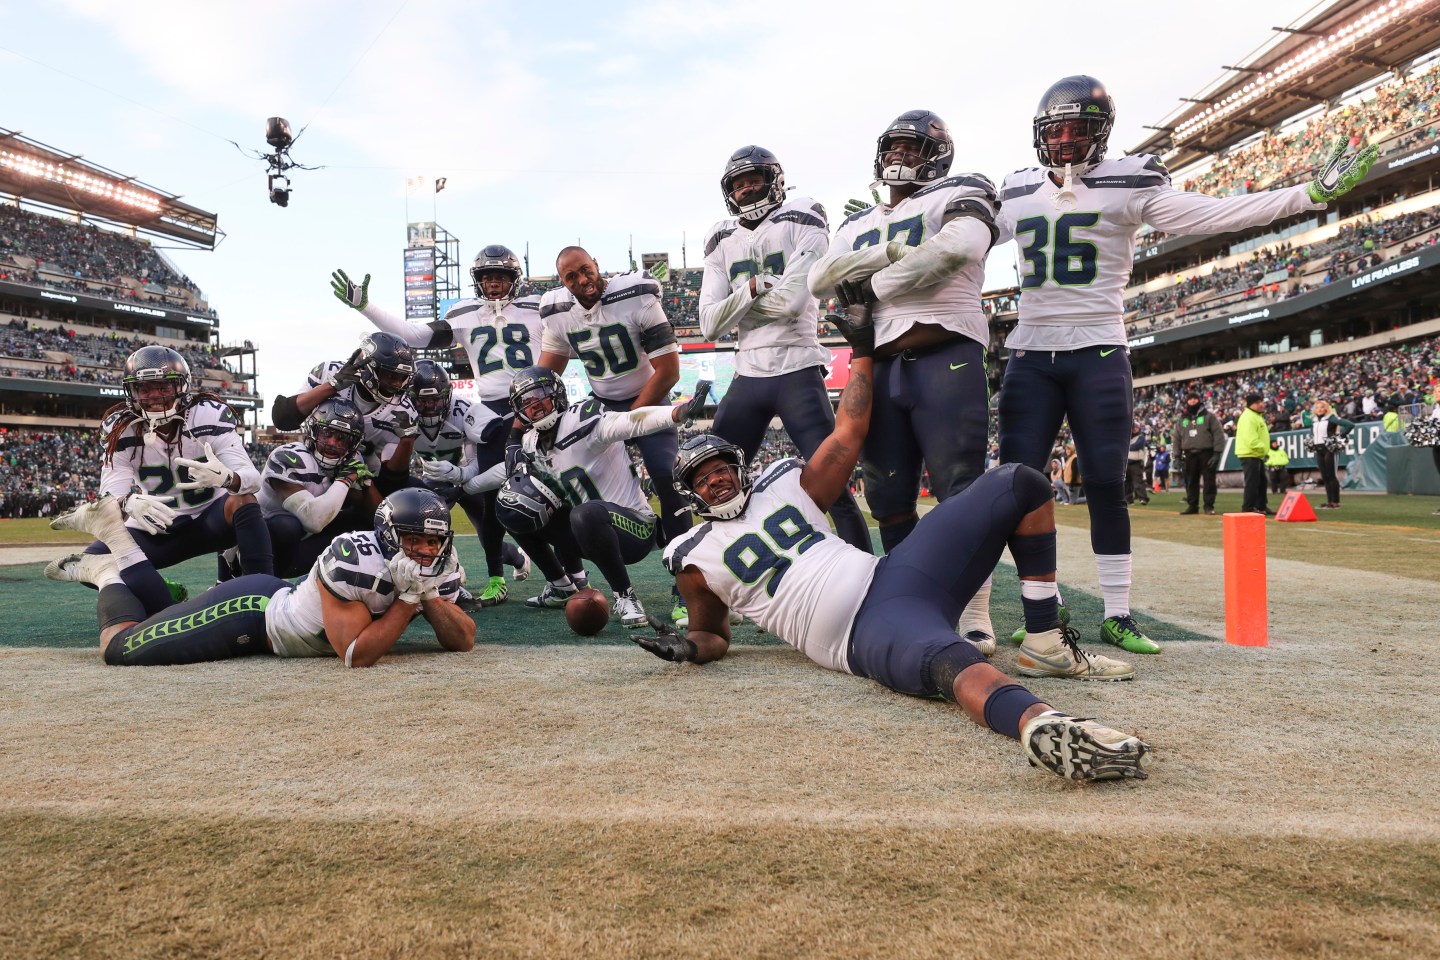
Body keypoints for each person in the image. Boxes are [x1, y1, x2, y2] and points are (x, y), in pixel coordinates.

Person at [634, 304, 1147, 783]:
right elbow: (714, 637)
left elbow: (850, 431)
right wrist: (687, 648)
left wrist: (860, 351)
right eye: (703, 478)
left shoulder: (785, 482)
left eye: (722, 468)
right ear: (691, 492)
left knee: (1020, 483)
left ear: (739, 467)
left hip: (895, 573)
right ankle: (1042, 724)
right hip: (861, 632)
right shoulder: (692, 556)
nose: (717, 480)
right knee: (955, 665)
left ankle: (1043, 637)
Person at [992, 75, 1376, 655]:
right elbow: (964, 244)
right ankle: (1041, 611)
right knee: (1020, 486)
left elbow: (1212, 214)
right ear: (1040, 135)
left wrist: (1306, 196)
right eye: (1058, 130)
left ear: (1102, 135)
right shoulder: (1016, 189)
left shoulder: (1130, 181)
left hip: (1098, 349)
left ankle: (1117, 614)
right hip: (1030, 352)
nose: (1067, 142)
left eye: (1079, 130)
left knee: (1104, 483)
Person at [809, 109, 1001, 652]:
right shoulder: (856, 223)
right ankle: (912, 603)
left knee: (960, 494)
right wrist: (891, 251)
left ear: (938, 154)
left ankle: (973, 612)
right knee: (889, 499)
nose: (899, 157)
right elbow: (819, 278)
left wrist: (873, 285)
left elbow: (960, 246)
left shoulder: (960, 190)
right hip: (881, 363)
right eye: (892, 148)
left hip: (946, 353)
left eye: (911, 149)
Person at [49, 488, 473, 667]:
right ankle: (108, 566)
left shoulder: (441, 566)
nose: (426, 551)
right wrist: (407, 599)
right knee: (122, 648)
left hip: (280, 609)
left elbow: (462, 640)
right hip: (254, 612)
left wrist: (429, 594)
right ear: (386, 535)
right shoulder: (353, 557)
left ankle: (112, 541)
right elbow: (356, 656)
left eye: (435, 542)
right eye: (414, 540)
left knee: (166, 616)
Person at [331, 245, 544, 598]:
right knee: (467, 513)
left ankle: (556, 576)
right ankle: (490, 576)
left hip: (528, 406)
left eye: (501, 277)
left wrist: (464, 475)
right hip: (475, 426)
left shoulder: (538, 306)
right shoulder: (464, 314)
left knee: (516, 502)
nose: (493, 284)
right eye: (487, 277)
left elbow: (576, 325)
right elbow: (415, 336)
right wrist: (365, 308)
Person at [698, 145, 871, 556]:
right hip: (749, 375)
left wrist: (736, 307)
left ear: (775, 180)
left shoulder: (801, 214)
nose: (746, 189)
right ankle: (699, 585)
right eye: (738, 184)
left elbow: (792, 301)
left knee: (835, 485)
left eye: (753, 179)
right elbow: (708, 325)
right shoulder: (721, 238)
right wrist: (753, 288)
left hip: (797, 368)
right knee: (706, 480)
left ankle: (869, 574)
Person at [44, 346, 273, 616]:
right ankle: (162, 596)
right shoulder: (121, 426)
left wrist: (226, 477)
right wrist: (128, 502)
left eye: (163, 387)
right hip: (157, 527)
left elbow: (252, 480)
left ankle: (264, 592)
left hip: (211, 521)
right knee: (92, 563)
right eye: (145, 388)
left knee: (242, 500)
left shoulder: (207, 415)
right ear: (132, 392)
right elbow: (109, 497)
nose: (154, 396)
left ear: (182, 386)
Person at [535, 246, 690, 622]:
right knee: (566, 487)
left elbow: (668, 372)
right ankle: (573, 578)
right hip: (601, 405)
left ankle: (685, 586)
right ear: (562, 282)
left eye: (586, 270)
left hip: (650, 398)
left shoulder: (635, 294)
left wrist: (633, 418)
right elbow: (543, 378)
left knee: (668, 478)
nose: (582, 280)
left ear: (597, 266)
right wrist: (525, 429)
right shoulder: (557, 312)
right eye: (571, 277)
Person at [499, 366, 706, 627]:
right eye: (526, 402)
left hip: (635, 529)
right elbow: (504, 478)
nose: (535, 405)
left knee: (586, 513)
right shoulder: (529, 442)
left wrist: (676, 413)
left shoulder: (582, 420)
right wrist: (464, 478)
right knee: (511, 502)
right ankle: (561, 584)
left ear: (557, 394)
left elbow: (631, 421)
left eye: (540, 395)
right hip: (585, 533)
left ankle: (626, 596)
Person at [406, 360, 537, 603]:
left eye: (436, 399)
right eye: (423, 401)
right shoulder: (404, 416)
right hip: (434, 482)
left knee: (487, 536)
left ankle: (518, 558)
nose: (430, 406)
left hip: (470, 477)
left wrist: (460, 475)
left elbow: (481, 461)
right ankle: (451, 575)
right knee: (426, 530)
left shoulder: (464, 410)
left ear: (448, 396)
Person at [269, 332, 420, 495]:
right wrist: (331, 386)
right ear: (368, 366)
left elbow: (392, 483)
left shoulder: (402, 411)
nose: (397, 384)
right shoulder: (330, 371)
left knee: (413, 491)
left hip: (358, 479)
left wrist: (407, 441)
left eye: (402, 377)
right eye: (391, 375)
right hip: (314, 461)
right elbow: (282, 419)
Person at [258, 396, 379, 577]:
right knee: (286, 525)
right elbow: (313, 520)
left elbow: (376, 516)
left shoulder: (352, 460)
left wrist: (365, 484)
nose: (332, 442)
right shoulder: (289, 456)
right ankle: (261, 575)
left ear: (353, 444)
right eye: (327, 433)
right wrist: (346, 479)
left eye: (342, 438)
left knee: (362, 521)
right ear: (313, 430)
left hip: (301, 544)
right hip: (262, 544)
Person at [1176, 393, 1225, 515]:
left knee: (1209, 480)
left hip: (1206, 453)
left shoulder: (1209, 416)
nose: (1192, 401)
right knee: (1191, 481)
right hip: (1189, 454)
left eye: (1195, 399)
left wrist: (1217, 453)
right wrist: (1176, 456)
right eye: (1190, 399)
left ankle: (1209, 506)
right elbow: (1176, 438)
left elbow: (1218, 434)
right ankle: (1192, 506)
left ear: (1199, 400)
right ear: (1187, 402)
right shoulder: (1182, 419)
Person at [1309, 399, 1354, 509]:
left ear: (1326, 409)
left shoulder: (1331, 418)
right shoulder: (1314, 421)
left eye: (1322, 407)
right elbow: (1313, 433)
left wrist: (1340, 436)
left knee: (1331, 475)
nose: (1320, 409)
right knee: (1325, 476)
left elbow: (1349, 424)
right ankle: (1329, 501)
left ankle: (1335, 502)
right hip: (1319, 449)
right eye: (1318, 407)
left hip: (1329, 448)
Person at [1236, 394, 1271, 515]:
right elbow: (1251, 439)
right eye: (1257, 402)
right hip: (1250, 454)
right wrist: (1263, 449)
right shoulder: (1248, 417)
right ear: (1250, 404)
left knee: (1261, 482)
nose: (1261, 404)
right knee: (1252, 482)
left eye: (1261, 401)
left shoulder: (1255, 416)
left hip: (1256, 454)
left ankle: (1261, 506)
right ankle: (1248, 507)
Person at [1125, 424, 1149, 505]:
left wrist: (1126, 446)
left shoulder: (1141, 437)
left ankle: (1143, 498)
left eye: (1136, 428)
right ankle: (1128, 499)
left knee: (1138, 481)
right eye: (1133, 428)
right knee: (1126, 483)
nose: (1134, 429)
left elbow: (1136, 446)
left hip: (1136, 462)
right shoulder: (1127, 437)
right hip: (1126, 462)